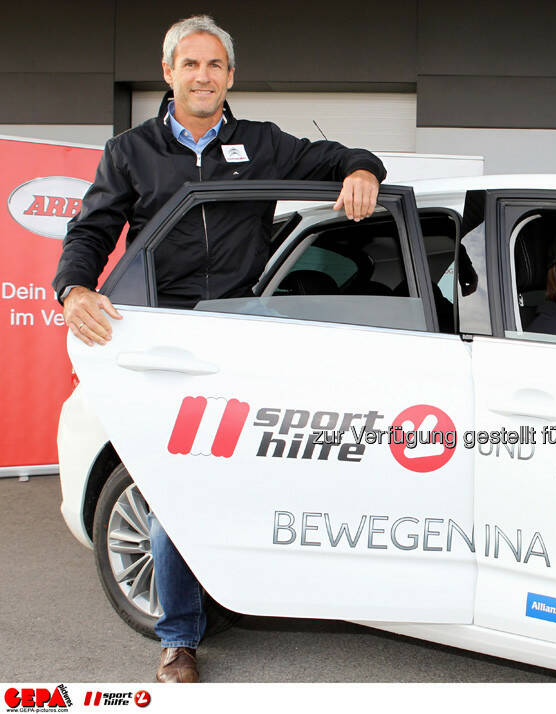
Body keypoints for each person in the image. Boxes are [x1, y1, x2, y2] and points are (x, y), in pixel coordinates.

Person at [51, 15, 386, 683]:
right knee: (178, 483)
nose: (202, 76)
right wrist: (74, 290)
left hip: (241, 331)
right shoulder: (130, 150)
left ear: (230, 77)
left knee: (253, 473)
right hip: (166, 339)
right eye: (190, 64)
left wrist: (362, 170)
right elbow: (92, 229)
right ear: (170, 72)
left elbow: (336, 158)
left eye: (214, 66)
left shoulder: (260, 143)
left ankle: (267, 585)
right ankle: (179, 637)